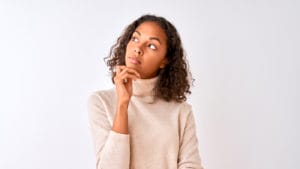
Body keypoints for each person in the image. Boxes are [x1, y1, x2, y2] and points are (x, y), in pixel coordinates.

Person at [87, 14, 204, 169]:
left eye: (152, 46)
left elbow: (191, 166)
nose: (138, 49)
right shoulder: (101, 102)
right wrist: (122, 104)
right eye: (135, 39)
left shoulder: (181, 112)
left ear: (165, 60)